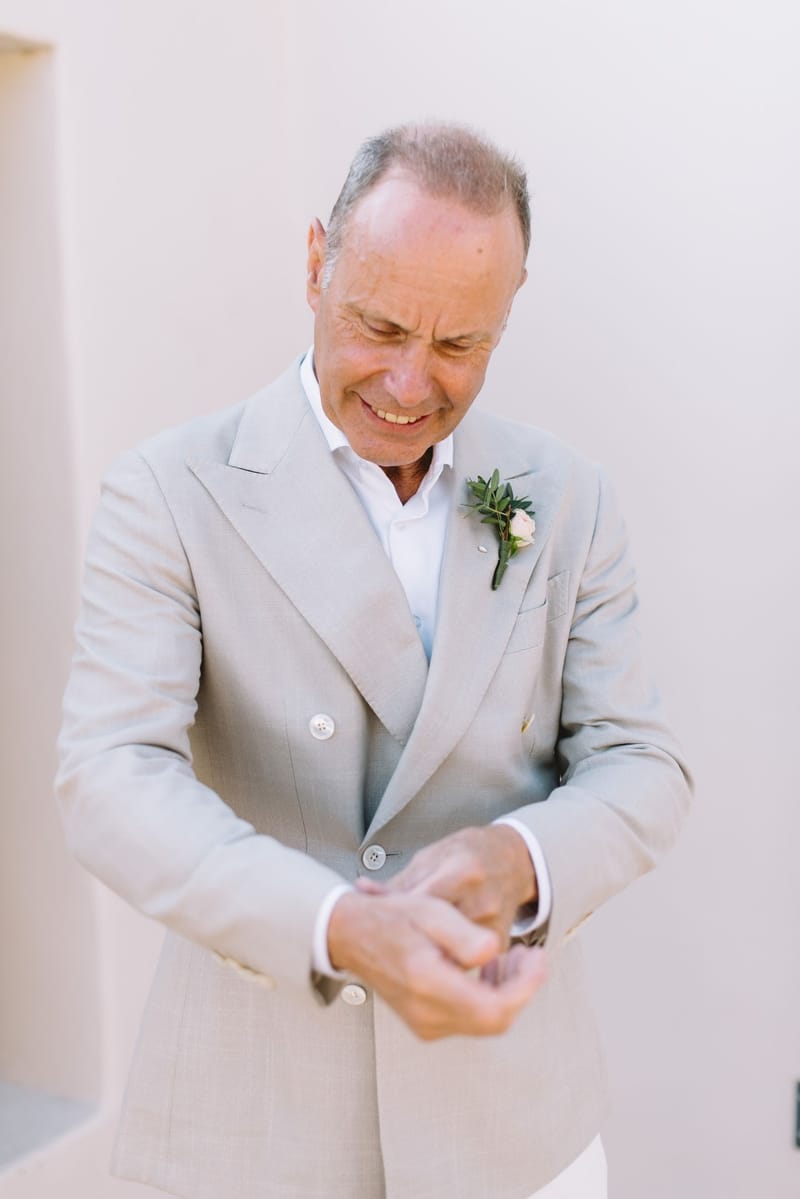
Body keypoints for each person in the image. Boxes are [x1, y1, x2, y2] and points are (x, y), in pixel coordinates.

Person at [56, 123, 691, 1199]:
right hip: (255, 1125)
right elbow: (109, 777)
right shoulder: (165, 491)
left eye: (458, 347)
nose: (407, 382)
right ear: (316, 263)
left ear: (511, 304)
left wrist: (518, 860)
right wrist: (340, 925)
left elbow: (641, 760)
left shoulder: (568, 495)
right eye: (377, 324)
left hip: (512, 1124)